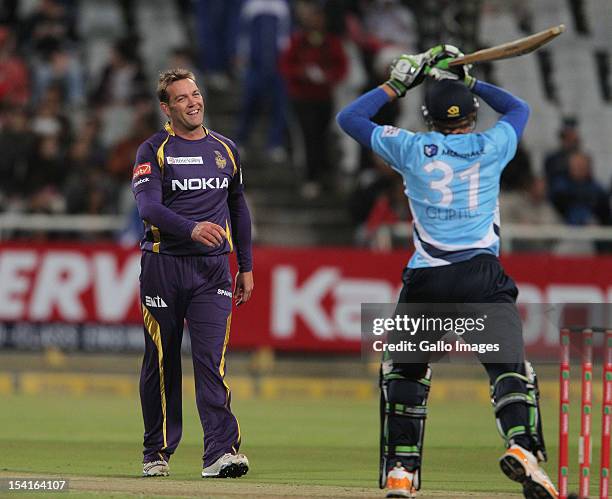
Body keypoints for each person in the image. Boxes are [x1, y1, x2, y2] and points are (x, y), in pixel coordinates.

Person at [337, 47, 558, 499]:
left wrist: (396, 85)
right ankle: (521, 449)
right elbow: (520, 107)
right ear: (473, 116)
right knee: (509, 370)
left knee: (406, 374)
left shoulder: (411, 148)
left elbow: (349, 118)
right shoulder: (494, 143)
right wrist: (469, 80)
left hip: (427, 278)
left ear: (429, 119)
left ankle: (401, 473)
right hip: (481, 274)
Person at [132, 69, 254, 479]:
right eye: (182, 97)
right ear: (166, 107)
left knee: (211, 361)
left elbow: (239, 207)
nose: (193, 102)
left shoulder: (226, 149)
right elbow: (148, 208)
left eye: (196, 93)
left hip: (213, 270)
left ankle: (221, 452)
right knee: (162, 361)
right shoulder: (153, 150)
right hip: (163, 266)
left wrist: (247, 266)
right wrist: (191, 228)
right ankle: (157, 451)